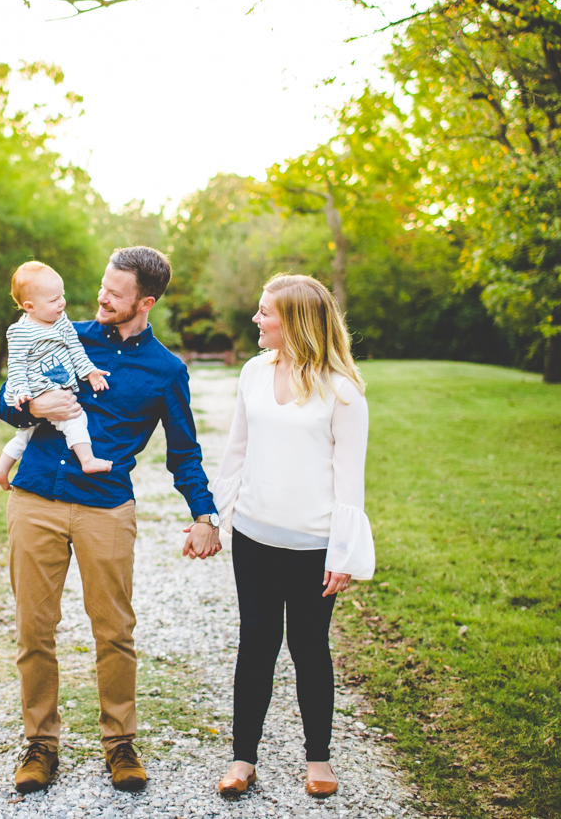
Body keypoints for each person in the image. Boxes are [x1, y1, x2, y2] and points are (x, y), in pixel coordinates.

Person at [0, 247, 223, 795]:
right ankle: (40, 743)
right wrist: (31, 409)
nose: (101, 299)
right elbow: (5, 399)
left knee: (114, 631)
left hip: (107, 508)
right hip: (36, 499)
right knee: (33, 627)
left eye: (115, 294)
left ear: (146, 301)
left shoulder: (167, 371)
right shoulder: (60, 332)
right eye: (101, 286)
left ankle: (120, 742)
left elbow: (184, 454)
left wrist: (204, 513)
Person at [209, 273, 376, 799]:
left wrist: (343, 552)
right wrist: (214, 519)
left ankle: (319, 758)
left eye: (265, 313)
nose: (256, 319)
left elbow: (351, 479)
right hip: (254, 538)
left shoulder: (342, 392)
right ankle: (243, 758)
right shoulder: (254, 373)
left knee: (309, 647)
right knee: (256, 643)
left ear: (296, 322)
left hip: (313, 547)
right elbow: (235, 451)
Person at [0, 260, 112, 491]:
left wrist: (90, 372)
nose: (62, 303)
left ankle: (0, 470)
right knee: (75, 419)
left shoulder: (61, 322)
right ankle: (88, 460)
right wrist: (22, 392)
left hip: (57, 380)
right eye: (54, 300)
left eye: (62, 295)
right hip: (39, 387)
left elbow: (76, 349)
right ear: (30, 307)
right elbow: (15, 365)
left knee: (24, 435)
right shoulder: (20, 332)